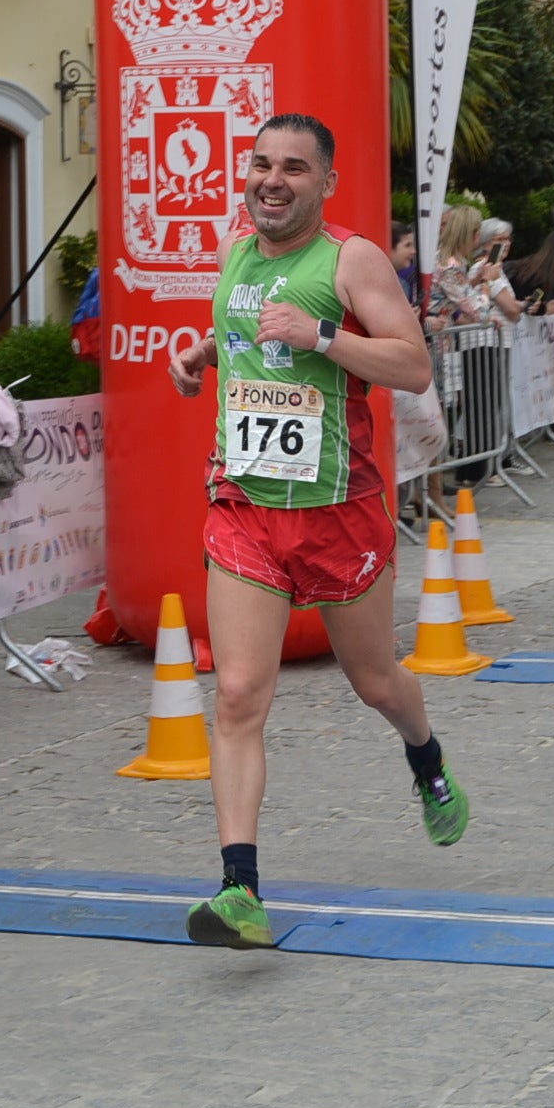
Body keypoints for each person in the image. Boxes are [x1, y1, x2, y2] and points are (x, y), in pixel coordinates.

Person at [164, 113, 457, 950]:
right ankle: (239, 892)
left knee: (375, 683)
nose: (272, 179)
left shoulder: (350, 260)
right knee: (236, 694)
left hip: (337, 510)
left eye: (294, 167)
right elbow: (247, 343)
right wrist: (201, 359)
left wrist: (325, 334)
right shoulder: (235, 251)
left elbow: (412, 364)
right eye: (261, 163)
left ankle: (425, 757)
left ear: (324, 184)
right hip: (246, 506)